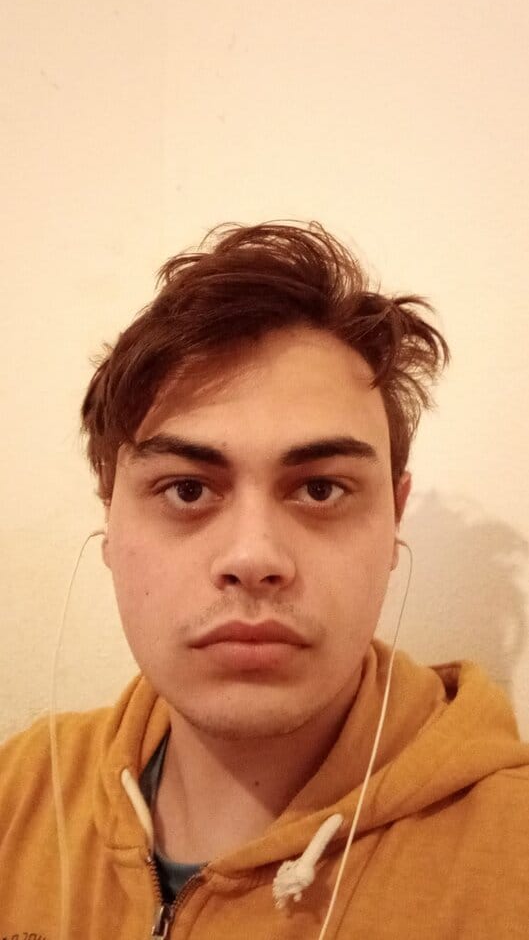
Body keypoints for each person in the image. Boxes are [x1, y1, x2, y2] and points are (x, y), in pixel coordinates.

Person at [1, 222, 528, 940]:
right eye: (187, 489)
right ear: (110, 516)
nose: (253, 557)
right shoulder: (18, 795)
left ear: (394, 517)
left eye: (319, 489)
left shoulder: (510, 856)